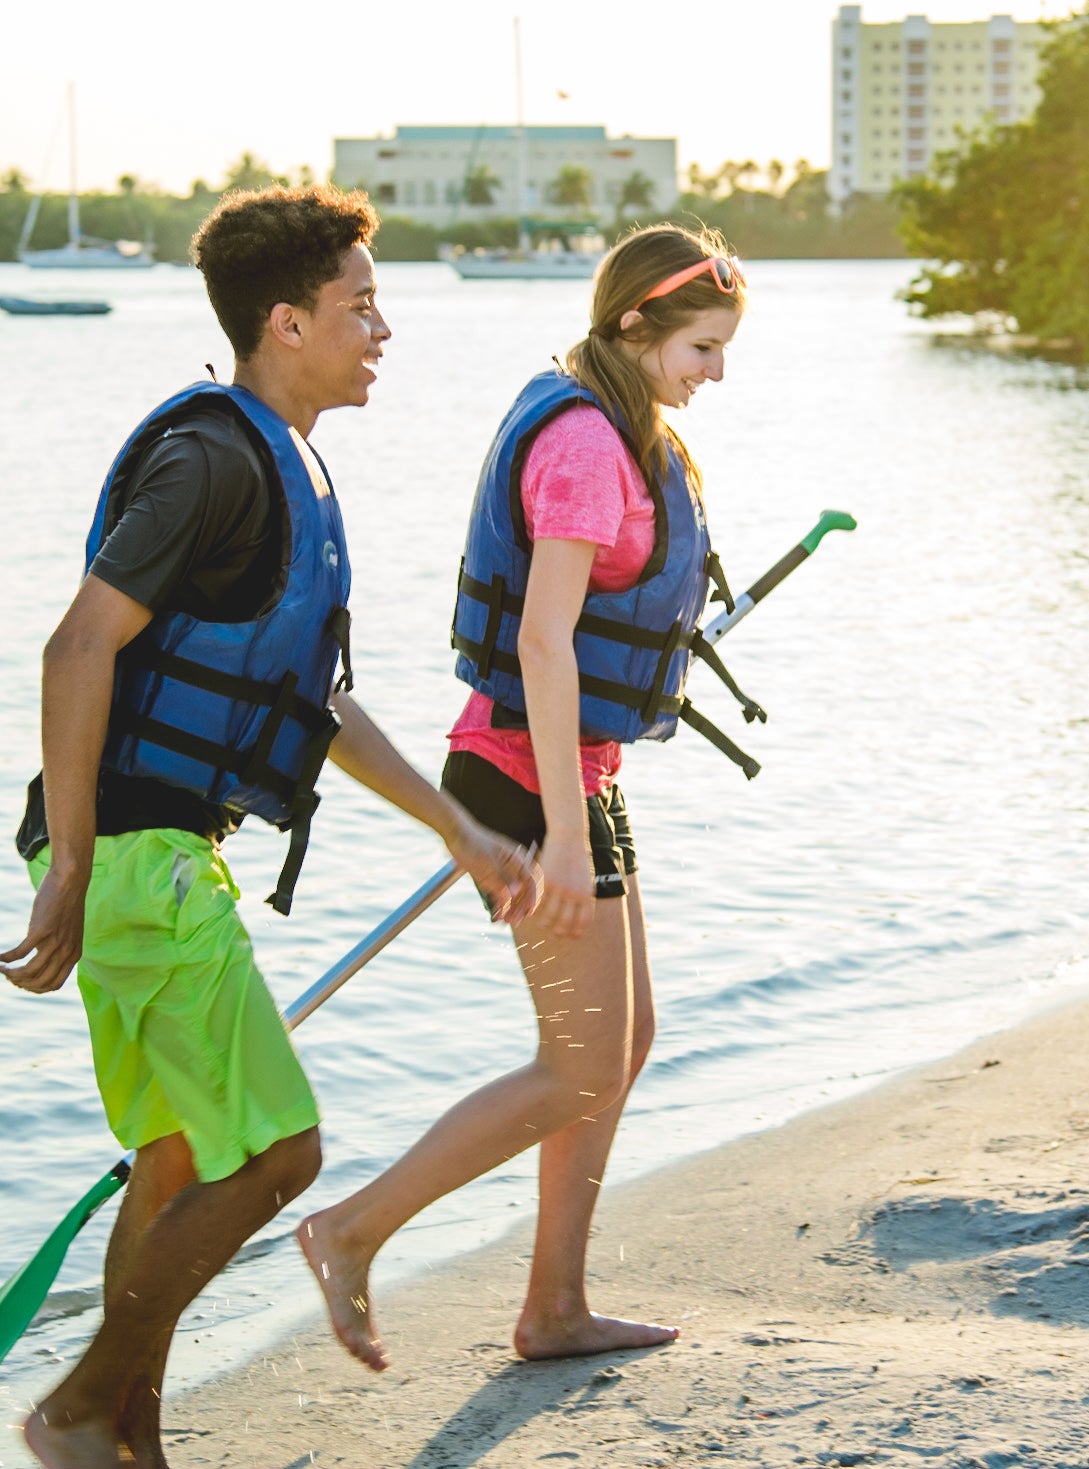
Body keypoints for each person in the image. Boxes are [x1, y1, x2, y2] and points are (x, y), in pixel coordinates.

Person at [0, 184, 532, 1468]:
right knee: (284, 1150)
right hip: (137, 856)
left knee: (176, 1160)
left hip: (156, 856)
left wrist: (455, 825)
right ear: (285, 322)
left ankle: (130, 1443)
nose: (383, 327)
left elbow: (309, 700)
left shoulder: (282, 463)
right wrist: (71, 864)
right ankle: (77, 1408)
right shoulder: (214, 460)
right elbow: (78, 647)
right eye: (360, 304)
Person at [295, 224, 752, 1371]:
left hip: (572, 773)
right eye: (701, 346)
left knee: (623, 1038)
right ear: (636, 325)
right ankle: (350, 1228)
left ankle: (554, 1304)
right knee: (580, 1058)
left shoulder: (621, 426)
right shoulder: (586, 444)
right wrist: (553, 828)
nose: (716, 372)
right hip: (519, 776)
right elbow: (544, 645)